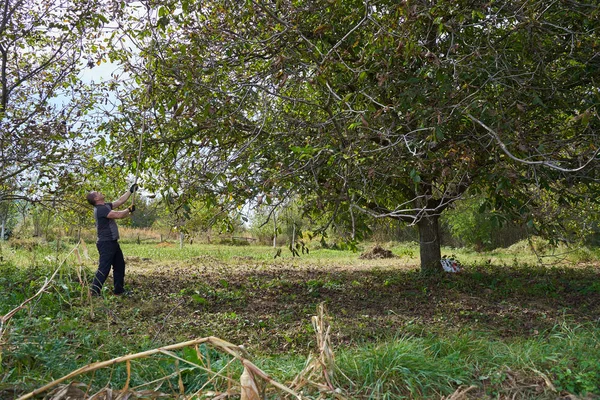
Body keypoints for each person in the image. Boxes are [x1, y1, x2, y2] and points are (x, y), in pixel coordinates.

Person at [86, 184, 138, 296]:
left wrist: (130, 191)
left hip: (112, 242)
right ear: (96, 198)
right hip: (106, 243)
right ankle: (94, 292)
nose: (100, 192)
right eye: (97, 193)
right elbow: (118, 215)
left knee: (119, 266)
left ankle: (119, 291)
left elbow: (119, 201)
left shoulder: (105, 206)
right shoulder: (100, 209)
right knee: (104, 268)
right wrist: (129, 210)